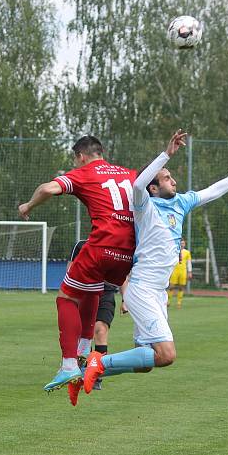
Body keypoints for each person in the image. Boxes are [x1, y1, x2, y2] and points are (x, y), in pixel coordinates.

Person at [83, 130, 228, 394]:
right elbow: (137, 185)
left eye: (171, 176)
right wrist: (166, 154)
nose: (174, 180)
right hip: (143, 288)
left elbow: (214, 190)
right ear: (154, 188)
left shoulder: (181, 203)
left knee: (148, 360)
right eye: (167, 177)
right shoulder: (144, 206)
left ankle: (89, 370)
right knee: (167, 354)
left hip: (158, 293)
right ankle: (97, 364)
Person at [18, 135, 137, 396]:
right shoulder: (129, 174)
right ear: (102, 151)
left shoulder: (85, 172)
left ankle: (69, 364)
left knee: (66, 299)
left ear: (81, 156)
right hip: (128, 252)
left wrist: (28, 205)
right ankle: (84, 350)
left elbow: (47, 189)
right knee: (93, 290)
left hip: (102, 245)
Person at [68, 239, 129, 397]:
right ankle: (77, 373)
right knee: (82, 335)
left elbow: (123, 276)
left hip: (106, 294)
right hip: (83, 293)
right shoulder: (81, 245)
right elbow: (71, 269)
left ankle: (97, 375)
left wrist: (125, 299)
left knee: (100, 330)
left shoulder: (117, 246)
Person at [167, 238, 192, 308]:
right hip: (175, 271)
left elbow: (189, 263)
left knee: (181, 287)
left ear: (185, 244)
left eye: (183, 243)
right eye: (181, 243)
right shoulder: (174, 251)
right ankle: (168, 301)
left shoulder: (187, 252)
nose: (182, 245)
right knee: (171, 286)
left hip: (183, 271)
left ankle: (179, 302)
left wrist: (189, 272)